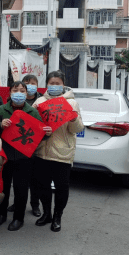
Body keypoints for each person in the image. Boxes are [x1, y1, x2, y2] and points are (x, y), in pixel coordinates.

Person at [0, 81, 52, 231]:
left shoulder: (33, 112)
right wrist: (0, 125)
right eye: (15, 90)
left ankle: (19, 218)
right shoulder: (1, 110)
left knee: (21, 188)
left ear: (27, 94)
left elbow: (40, 134)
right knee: (3, 187)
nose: (19, 93)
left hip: (24, 157)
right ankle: (1, 215)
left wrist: (47, 134)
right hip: (4, 155)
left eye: (22, 91)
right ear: (10, 92)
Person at [32, 71, 84, 232]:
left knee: (62, 187)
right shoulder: (39, 102)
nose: (54, 86)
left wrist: (74, 119)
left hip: (62, 152)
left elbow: (78, 129)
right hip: (42, 151)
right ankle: (46, 213)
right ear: (47, 84)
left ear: (63, 84)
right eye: (51, 83)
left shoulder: (71, 104)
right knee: (42, 185)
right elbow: (32, 126)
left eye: (57, 83)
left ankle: (57, 216)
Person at [6, 74, 43, 216]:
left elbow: (40, 128)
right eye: (27, 82)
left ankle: (35, 205)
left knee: (32, 180)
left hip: (30, 149)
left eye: (32, 83)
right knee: (16, 183)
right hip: (11, 151)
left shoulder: (38, 104)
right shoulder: (6, 106)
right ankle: (16, 204)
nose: (20, 93)